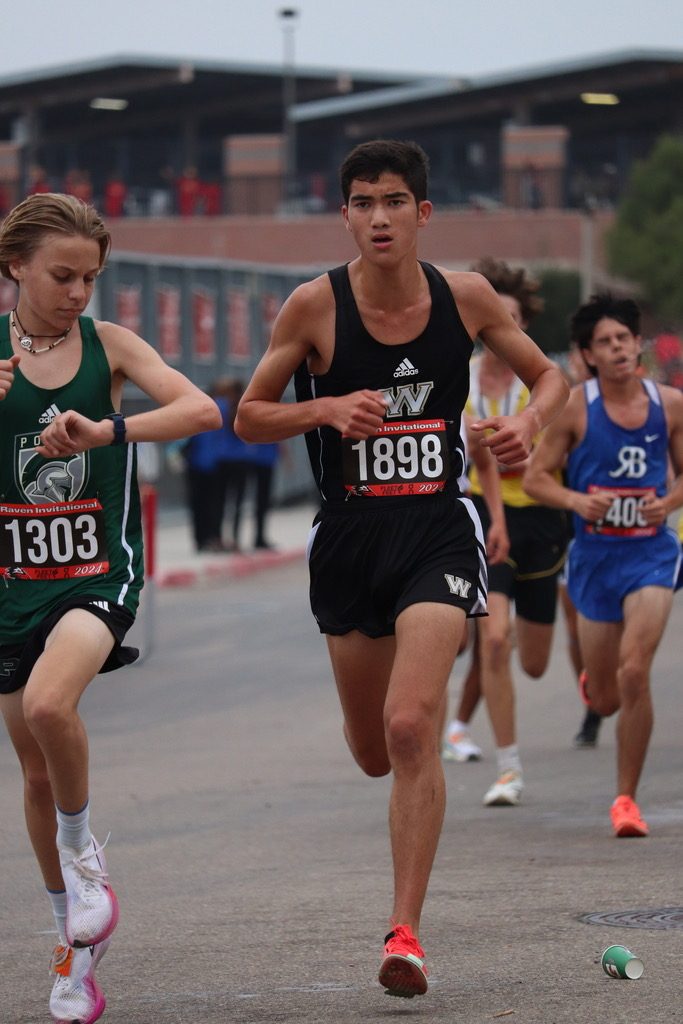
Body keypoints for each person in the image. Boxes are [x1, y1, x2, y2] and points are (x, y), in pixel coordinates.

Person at [235, 139, 568, 998]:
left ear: (422, 213)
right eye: (360, 202)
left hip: (436, 528)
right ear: (344, 215)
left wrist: (527, 426)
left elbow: (549, 380)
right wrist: (324, 406)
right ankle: (393, 816)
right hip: (349, 538)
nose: (377, 217)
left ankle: (405, 934)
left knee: (412, 727)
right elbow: (248, 416)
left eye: (393, 201)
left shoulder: (466, 299)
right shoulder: (313, 307)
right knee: (372, 752)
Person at [0, 192, 220, 1024]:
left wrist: (108, 433)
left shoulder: (109, 346)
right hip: (10, 585)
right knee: (30, 770)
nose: (78, 292)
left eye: (91, 277)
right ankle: (73, 952)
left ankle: (86, 854)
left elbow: (201, 409)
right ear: (15, 265)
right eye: (63, 275)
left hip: (96, 574)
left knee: (54, 705)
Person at [524, 293, 683, 838]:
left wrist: (670, 501)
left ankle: (625, 800)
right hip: (593, 558)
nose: (617, 349)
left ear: (638, 345)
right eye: (604, 343)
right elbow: (535, 479)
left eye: (624, 339)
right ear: (587, 354)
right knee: (609, 697)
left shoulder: (670, 405)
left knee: (636, 670)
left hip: (651, 554)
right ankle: (596, 682)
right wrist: (576, 502)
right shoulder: (575, 406)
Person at [442, 258, 569, 808]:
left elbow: (558, 452)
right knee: (492, 639)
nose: (501, 329)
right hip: (485, 516)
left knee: (534, 661)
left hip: (542, 517)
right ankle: (508, 769)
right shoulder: (458, 374)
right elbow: (478, 459)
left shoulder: (542, 382)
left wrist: (528, 445)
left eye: (512, 320)